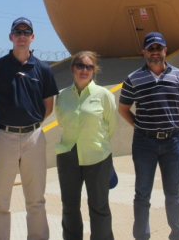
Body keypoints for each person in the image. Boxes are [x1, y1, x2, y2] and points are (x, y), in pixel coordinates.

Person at [0, 17, 59, 240]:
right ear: (11, 37)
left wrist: (31, 126)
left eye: (26, 32)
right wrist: (4, 127)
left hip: (34, 138)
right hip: (4, 137)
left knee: (36, 199)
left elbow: (48, 106)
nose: (22, 36)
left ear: (32, 37)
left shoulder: (43, 69)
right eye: (18, 32)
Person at [117, 32, 179, 240]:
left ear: (165, 50)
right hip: (145, 143)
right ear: (144, 52)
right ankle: (142, 237)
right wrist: (140, 126)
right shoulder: (133, 79)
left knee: (173, 194)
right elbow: (124, 108)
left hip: (172, 142)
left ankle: (177, 234)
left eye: (158, 48)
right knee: (142, 194)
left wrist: (176, 121)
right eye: (150, 49)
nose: (155, 53)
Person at [55, 51, 117, 240]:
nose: (84, 70)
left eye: (89, 67)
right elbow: (62, 122)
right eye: (80, 65)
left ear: (94, 70)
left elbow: (111, 125)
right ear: (73, 68)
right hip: (68, 156)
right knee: (70, 206)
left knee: (99, 206)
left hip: (97, 157)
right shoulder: (62, 96)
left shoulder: (104, 95)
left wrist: (96, 143)